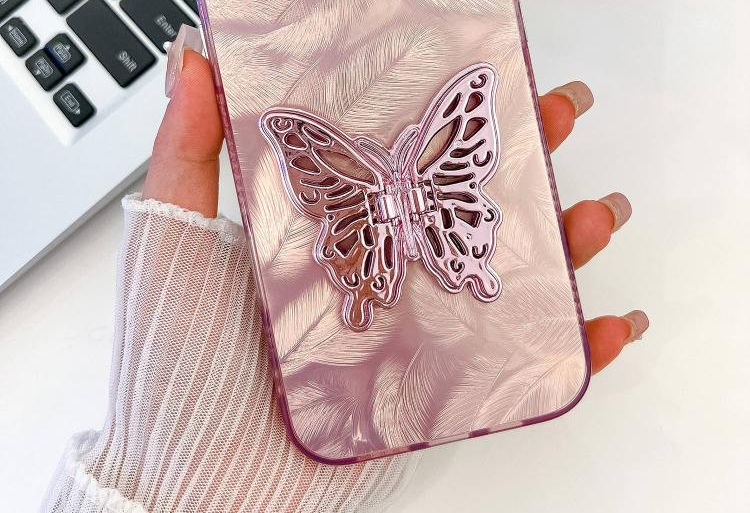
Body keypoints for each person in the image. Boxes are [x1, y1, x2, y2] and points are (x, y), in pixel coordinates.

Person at [40, 25, 649, 513]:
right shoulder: (441, 125)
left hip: (372, 224)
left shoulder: (346, 163)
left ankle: (434, 281)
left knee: (407, 279)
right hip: (431, 209)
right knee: (473, 263)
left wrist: (166, 489)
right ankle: (466, 272)